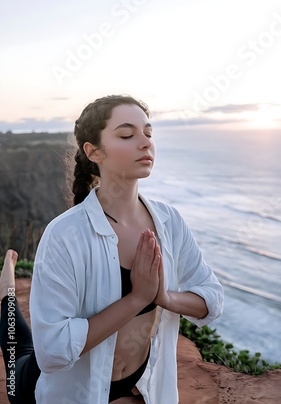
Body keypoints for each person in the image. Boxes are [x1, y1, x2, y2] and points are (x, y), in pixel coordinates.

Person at [1, 94, 224, 403]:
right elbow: (52, 351)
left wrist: (164, 297)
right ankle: (6, 290)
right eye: (126, 134)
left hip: (136, 383)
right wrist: (137, 300)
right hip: (55, 387)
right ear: (94, 152)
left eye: (148, 132)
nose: (145, 143)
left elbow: (211, 297)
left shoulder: (169, 222)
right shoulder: (64, 234)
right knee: (17, 347)